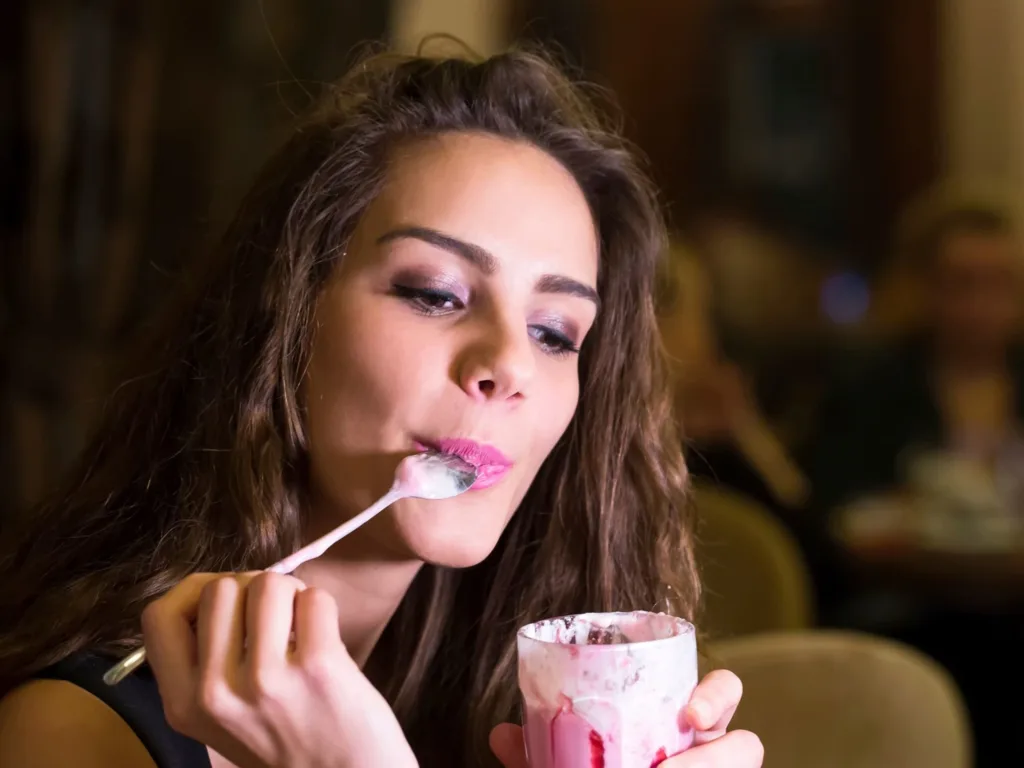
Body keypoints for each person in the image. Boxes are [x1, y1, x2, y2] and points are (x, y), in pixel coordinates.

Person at [0, 49, 763, 768]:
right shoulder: (76, 734)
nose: (508, 364)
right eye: (435, 294)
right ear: (289, 313)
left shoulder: (512, 718)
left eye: (554, 333)